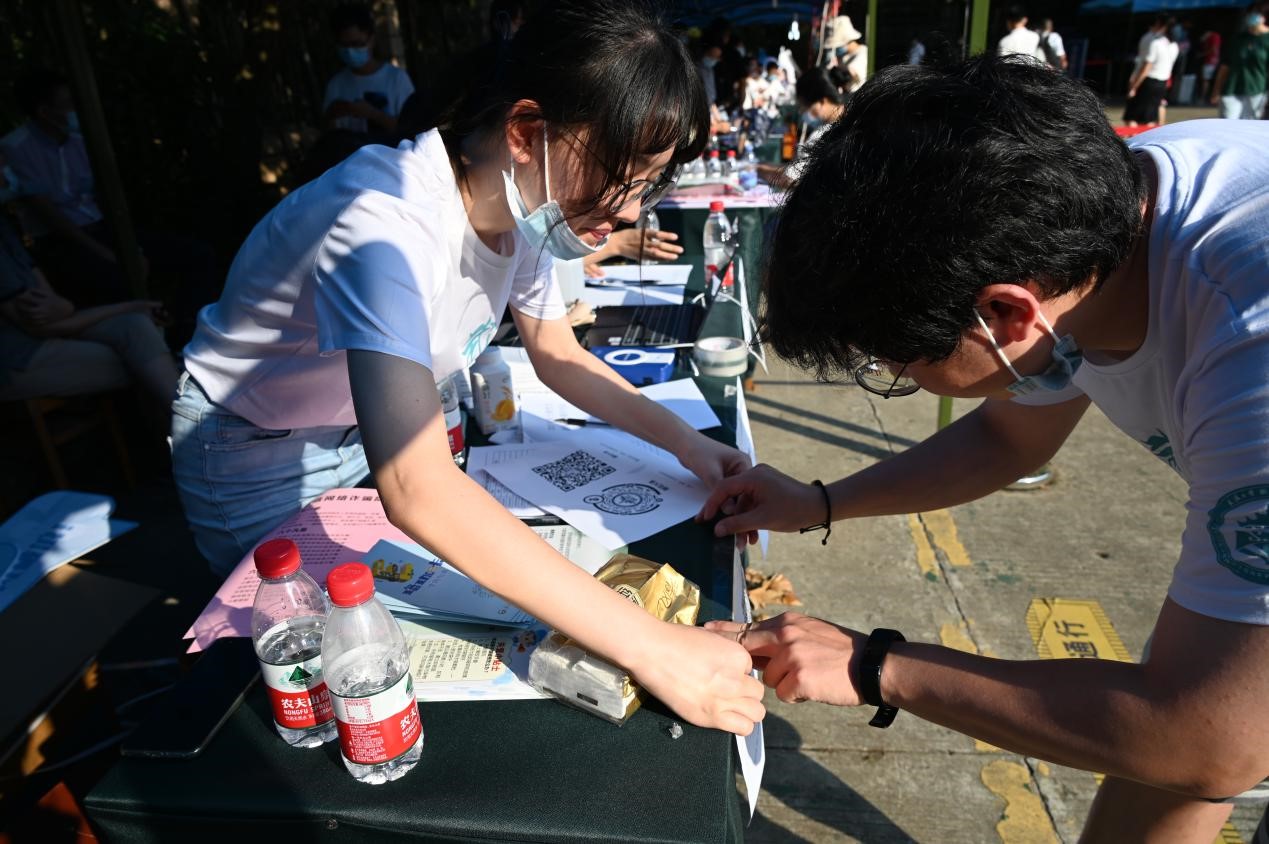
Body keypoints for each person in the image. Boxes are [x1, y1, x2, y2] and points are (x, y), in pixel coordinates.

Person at [699, 55, 1269, 840]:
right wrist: (820, 502)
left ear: (1004, 315)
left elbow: (1206, 738)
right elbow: (1009, 434)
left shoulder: (1248, 343)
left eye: (892, 364)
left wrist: (876, 667)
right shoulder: (1092, 219)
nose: (893, 374)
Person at [172, 0, 764, 737]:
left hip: (362, 436)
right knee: (332, 681)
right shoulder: (383, 222)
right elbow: (417, 488)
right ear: (525, 132)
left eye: (649, 183)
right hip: (255, 452)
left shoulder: (526, 212)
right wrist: (652, 648)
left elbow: (559, 354)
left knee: (412, 631)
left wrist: (690, 445)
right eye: (621, 177)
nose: (630, 211)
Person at [2, 69, 219, 345]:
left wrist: (130, 246)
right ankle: (147, 344)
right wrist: (111, 254)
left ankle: (188, 333)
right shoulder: (15, 148)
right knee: (115, 278)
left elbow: (106, 197)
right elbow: (51, 216)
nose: (76, 110)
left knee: (198, 255)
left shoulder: (82, 139)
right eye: (68, 104)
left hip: (103, 229)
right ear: (44, 112)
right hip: (61, 242)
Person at [0, 156, 177, 405]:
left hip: (48, 335)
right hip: (18, 358)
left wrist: (134, 310)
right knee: (145, 360)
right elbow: (41, 324)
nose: (5, 165)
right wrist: (131, 305)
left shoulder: (6, 227)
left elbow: (53, 308)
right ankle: (196, 422)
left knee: (137, 328)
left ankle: (192, 419)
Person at [322, 3, 415, 139]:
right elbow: (328, 133)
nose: (350, 51)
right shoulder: (335, 85)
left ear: (371, 39)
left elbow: (412, 129)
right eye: (344, 45)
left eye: (356, 44)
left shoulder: (397, 79)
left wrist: (373, 114)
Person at [756, 71, 843, 190]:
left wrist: (759, 171)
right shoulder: (853, 120)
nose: (802, 112)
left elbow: (793, 180)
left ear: (822, 101)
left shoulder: (823, 136)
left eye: (804, 106)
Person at [1210, 3, 1269, 120]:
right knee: (1227, 126)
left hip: (1258, 92)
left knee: (1250, 128)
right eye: (1249, 14)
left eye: (1255, 13)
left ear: (1264, 17)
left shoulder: (1266, 40)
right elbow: (1225, 66)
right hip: (1232, 90)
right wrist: (1216, 90)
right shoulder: (1237, 39)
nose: (1250, 16)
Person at [1124, 16, 1179, 127]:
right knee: (1151, 118)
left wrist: (1134, 87)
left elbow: (1146, 67)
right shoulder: (1174, 46)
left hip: (1148, 82)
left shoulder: (1155, 42)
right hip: (1163, 82)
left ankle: (1134, 138)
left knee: (1132, 117)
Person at [827, 17, 868, 98]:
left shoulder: (863, 53)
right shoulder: (843, 56)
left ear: (847, 41)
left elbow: (850, 75)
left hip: (856, 96)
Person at [1199, 28, 1223, 102]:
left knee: (1206, 80)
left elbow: (1213, 49)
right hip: (1213, 61)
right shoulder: (1217, 36)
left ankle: (1203, 97)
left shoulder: (1213, 36)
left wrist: (1202, 54)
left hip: (1210, 61)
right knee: (1209, 79)